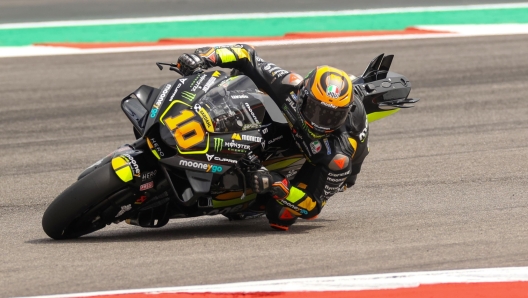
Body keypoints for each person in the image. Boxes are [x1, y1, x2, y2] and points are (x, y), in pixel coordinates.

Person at [176, 44, 369, 231]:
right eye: (316, 111)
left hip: (323, 162)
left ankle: (251, 201)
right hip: (291, 128)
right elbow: (244, 55)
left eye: (333, 117)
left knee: (280, 215)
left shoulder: (338, 155)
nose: (323, 122)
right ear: (303, 94)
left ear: (346, 113)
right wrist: (205, 57)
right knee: (240, 78)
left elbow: (311, 206)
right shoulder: (289, 86)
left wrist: (277, 184)